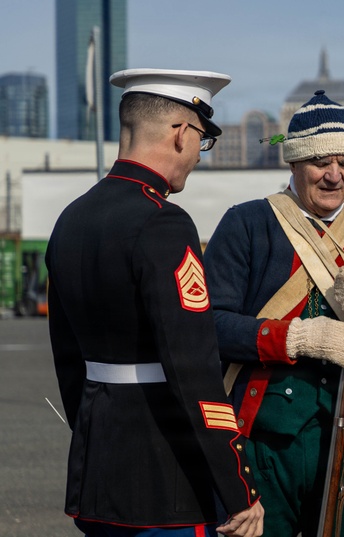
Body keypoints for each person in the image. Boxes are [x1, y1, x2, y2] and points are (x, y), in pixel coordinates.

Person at [46, 69, 264, 537]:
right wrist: (238, 488)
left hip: (98, 470)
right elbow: (195, 368)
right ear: (182, 133)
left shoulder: (72, 218)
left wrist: (93, 437)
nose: (199, 157)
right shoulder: (163, 222)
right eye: (203, 141)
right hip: (167, 481)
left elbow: (68, 359)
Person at [202, 90, 344, 537]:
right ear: (293, 163)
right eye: (320, 162)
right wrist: (296, 338)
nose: (334, 175)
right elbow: (208, 326)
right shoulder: (247, 223)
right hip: (269, 439)